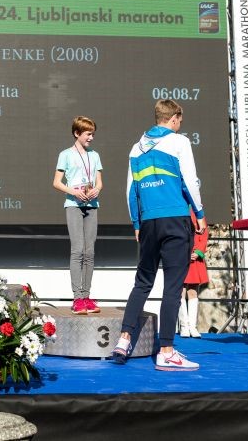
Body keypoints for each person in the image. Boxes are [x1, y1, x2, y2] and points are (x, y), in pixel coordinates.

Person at [112, 99, 206, 371]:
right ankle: (166, 351)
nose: (180, 125)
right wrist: (199, 213)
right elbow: (190, 181)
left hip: (148, 222)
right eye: (180, 121)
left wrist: (136, 223)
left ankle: (123, 340)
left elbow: (130, 190)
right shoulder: (179, 142)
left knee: (142, 283)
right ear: (174, 118)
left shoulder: (136, 147)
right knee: (173, 288)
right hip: (175, 219)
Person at [52, 116, 103, 315]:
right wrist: (74, 192)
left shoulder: (94, 155)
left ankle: (87, 296)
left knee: (90, 252)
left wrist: (96, 189)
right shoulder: (65, 154)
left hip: (92, 205)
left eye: (93, 134)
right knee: (78, 250)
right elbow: (57, 182)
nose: (91, 138)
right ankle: (77, 298)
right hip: (74, 205)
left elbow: (99, 182)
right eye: (88, 134)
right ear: (77, 133)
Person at [179, 210, 208, 338]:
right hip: (181, 256)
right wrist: (183, 252)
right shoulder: (178, 209)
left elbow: (204, 233)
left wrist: (198, 252)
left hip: (195, 258)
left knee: (193, 291)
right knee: (180, 290)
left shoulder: (198, 211)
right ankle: (184, 326)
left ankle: (193, 327)